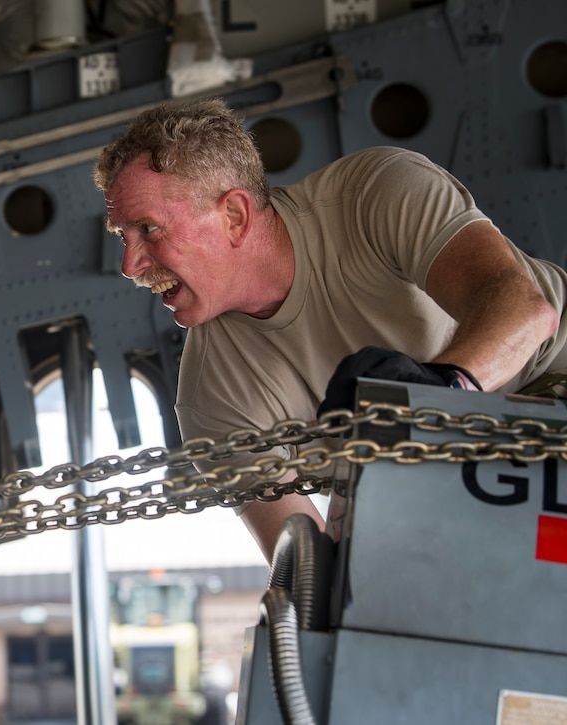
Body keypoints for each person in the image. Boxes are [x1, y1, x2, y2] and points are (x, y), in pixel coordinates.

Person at [93, 97, 567, 561]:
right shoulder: (213, 401)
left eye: (148, 229)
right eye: (122, 237)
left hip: (549, 376)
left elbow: (525, 311)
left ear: (234, 216)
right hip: (466, 482)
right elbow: (314, 569)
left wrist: (437, 393)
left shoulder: (374, 194)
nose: (129, 266)